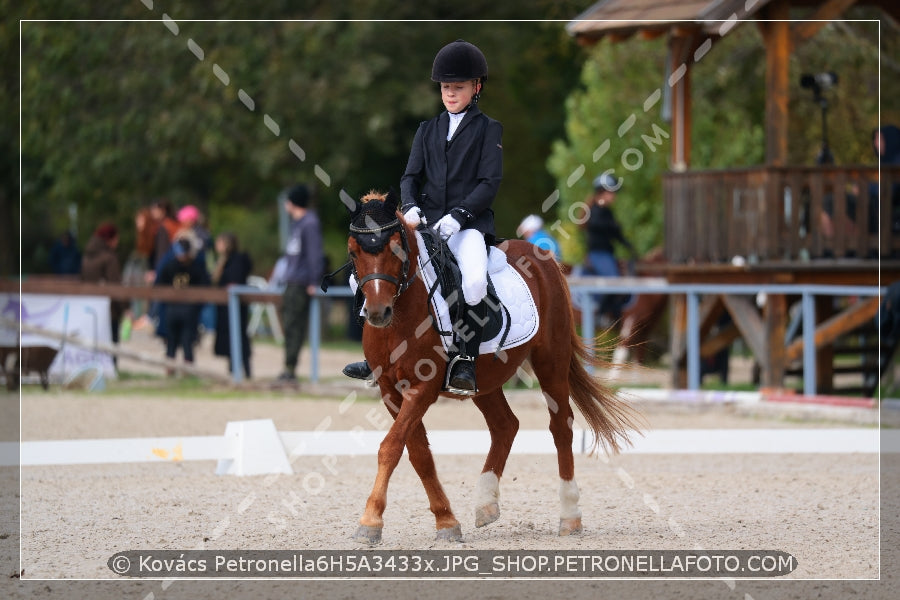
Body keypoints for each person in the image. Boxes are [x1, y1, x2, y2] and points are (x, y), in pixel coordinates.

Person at [343, 39, 503, 394]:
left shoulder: (488, 129)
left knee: (474, 281)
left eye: (458, 87)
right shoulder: (427, 129)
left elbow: (489, 183)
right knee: (372, 274)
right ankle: (374, 356)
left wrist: (459, 216)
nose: (450, 93)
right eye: (446, 87)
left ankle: (465, 358)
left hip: (468, 226)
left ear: (476, 87)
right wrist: (412, 206)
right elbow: (409, 176)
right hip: (425, 223)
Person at [277, 184, 324, 383]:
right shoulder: (297, 224)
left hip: (301, 282)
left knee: (294, 326)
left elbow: (315, 255)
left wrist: (314, 280)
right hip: (291, 281)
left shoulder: (309, 223)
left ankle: (290, 368)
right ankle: (288, 365)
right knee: (288, 325)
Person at [154, 230, 210, 373]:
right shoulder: (195, 266)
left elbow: (158, 284)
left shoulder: (171, 265)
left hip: (182, 310)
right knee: (174, 341)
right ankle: (173, 368)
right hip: (178, 310)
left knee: (184, 341)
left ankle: (185, 370)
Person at [583, 173, 637, 321]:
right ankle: (600, 314)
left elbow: (615, 234)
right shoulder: (594, 210)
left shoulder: (606, 212)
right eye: (611, 192)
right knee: (614, 281)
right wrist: (612, 226)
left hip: (607, 254)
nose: (614, 196)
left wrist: (628, 246)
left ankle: (613, 313)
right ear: (602, 192)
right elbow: (596, 225)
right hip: (598, 254)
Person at [81, 222, 128, 365]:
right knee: (111, 342)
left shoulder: (87, 257)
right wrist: (125, 307)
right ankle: (111, 369)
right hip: (110, 308)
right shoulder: (109, 258)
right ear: (110, 239)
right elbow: (116, 285)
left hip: (89, 305)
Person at [212, 232, 253, 378]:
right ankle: (233, 371)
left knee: (239, 337)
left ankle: (245, 372)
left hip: (236, 306)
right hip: (226, 307)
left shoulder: (236, 261)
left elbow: (234, 282)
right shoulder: (225, 261)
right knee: (230, 339)